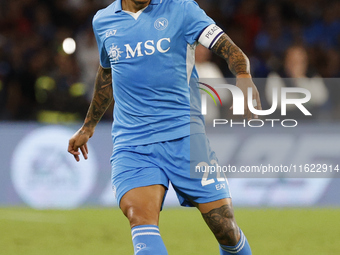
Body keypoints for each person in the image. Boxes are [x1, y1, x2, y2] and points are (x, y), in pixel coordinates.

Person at [68, 0, 261, 254]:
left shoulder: (182, 8)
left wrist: (244, 76)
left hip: (185, 135)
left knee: (224, 226)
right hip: (133, 142)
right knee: (140, 218)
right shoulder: (103, 21)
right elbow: (107, 73)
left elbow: (228, 48)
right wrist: (88, 126)